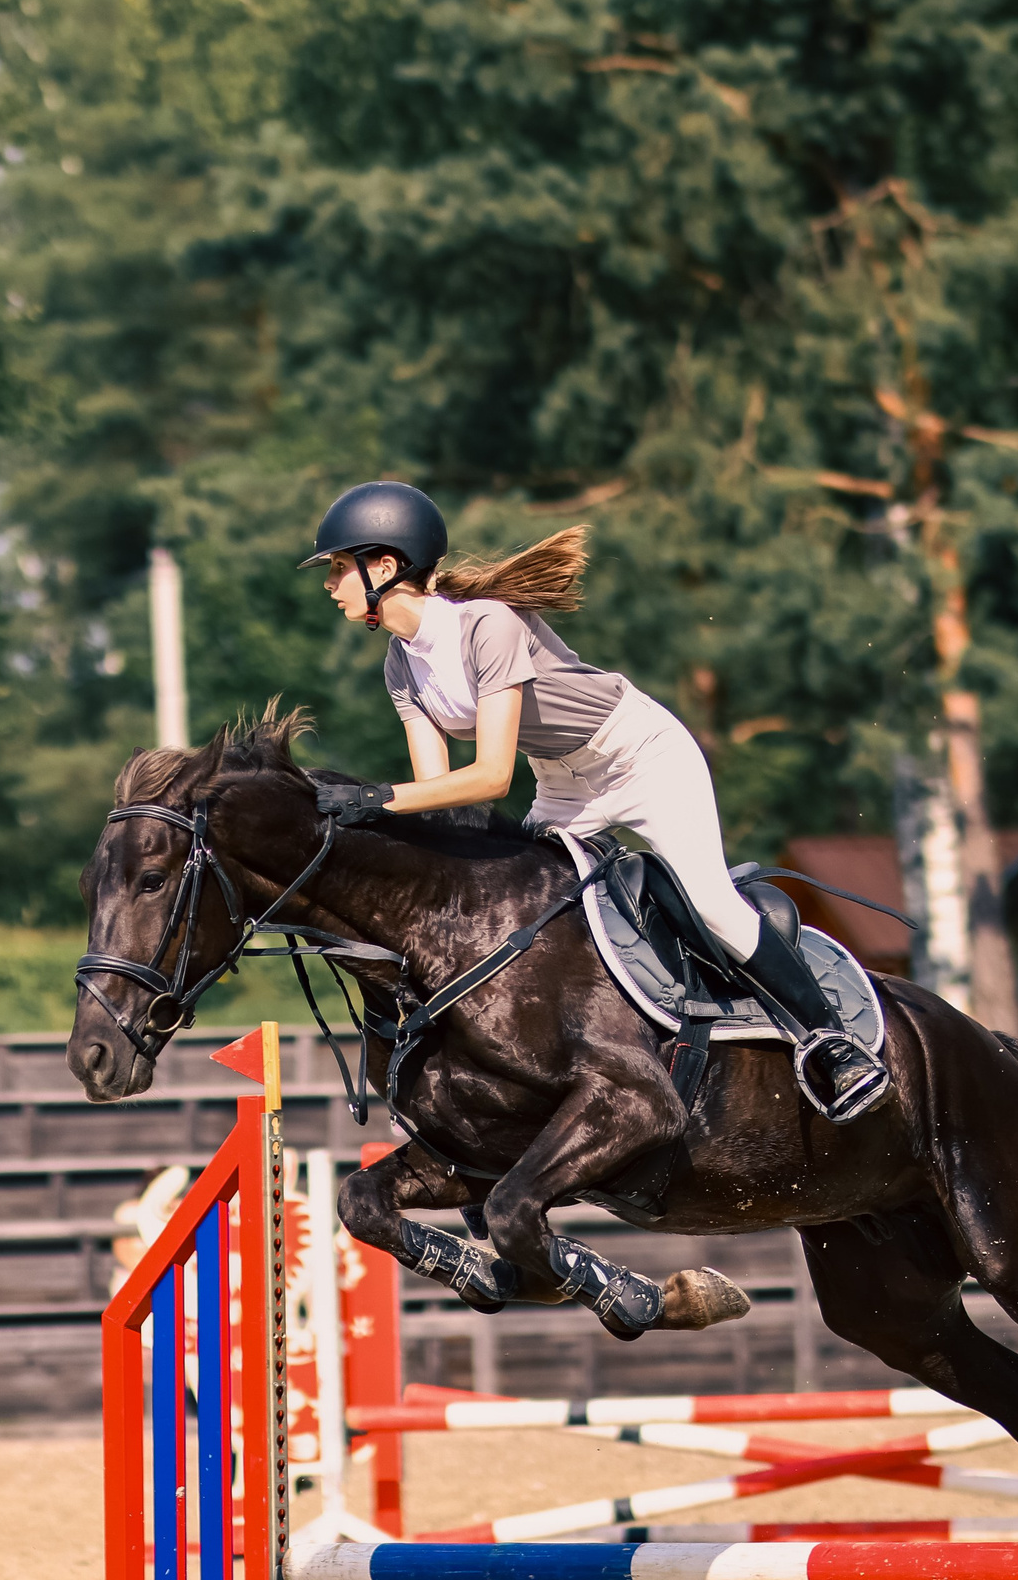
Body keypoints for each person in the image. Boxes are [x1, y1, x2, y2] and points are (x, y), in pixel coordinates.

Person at [298, 480, 889, 1122]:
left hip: (641, 756)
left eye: (337, 568)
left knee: (712, 903)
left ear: (383, 567)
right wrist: (370, 819)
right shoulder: (401, 663)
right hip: (562, 781)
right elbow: (439, 799)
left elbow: (491, 776)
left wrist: (378, 798)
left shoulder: (487, 625)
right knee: (515, 915)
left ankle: (833, 1042)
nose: (331, 586)